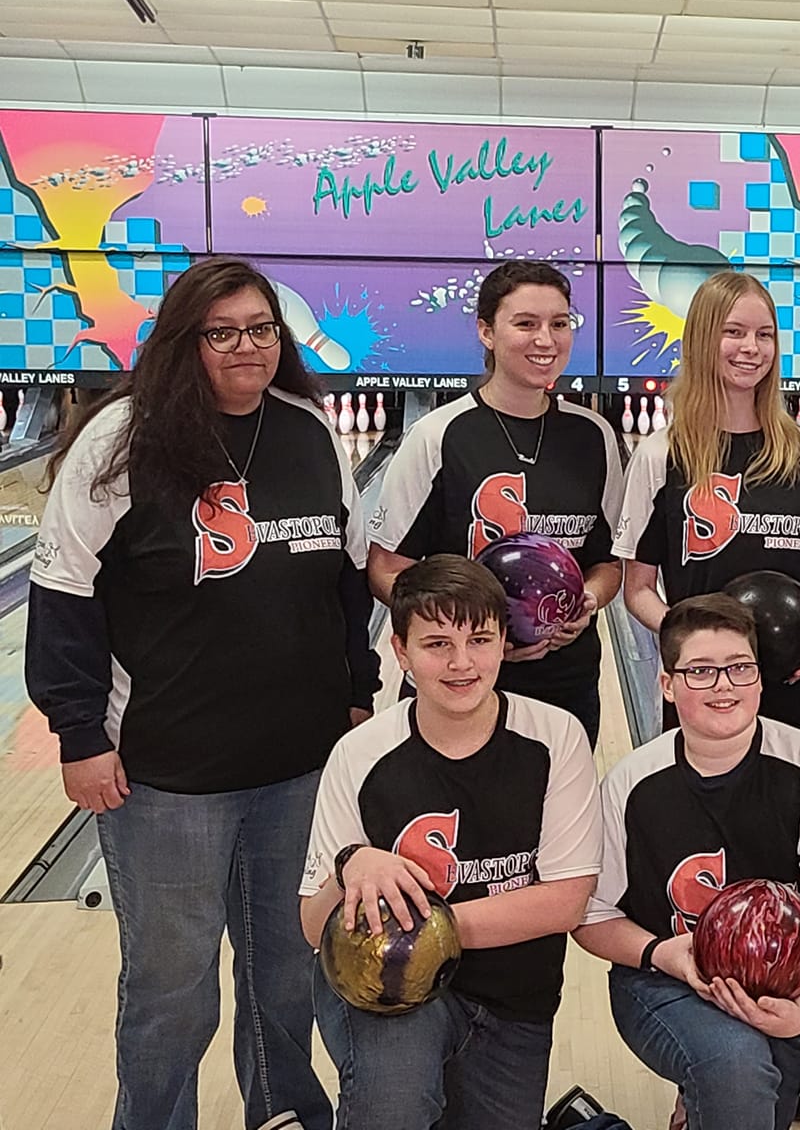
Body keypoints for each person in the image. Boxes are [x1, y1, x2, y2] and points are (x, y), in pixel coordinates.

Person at [25, 257, 378, 1130]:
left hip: (297, 764)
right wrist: (80, 736)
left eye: (261, 329)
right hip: (166, 776)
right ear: (185, 341)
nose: (246, 346)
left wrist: (358, 691)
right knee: (171, 990)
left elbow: (345, 579)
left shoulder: (309, 428)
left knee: (285, 974)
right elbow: (63, 595)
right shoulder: (122, 441)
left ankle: (284, 1114)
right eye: (223, 332)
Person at [299, 554, 603, 1129]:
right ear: (401, 651)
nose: (461, 663)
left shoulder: (556, 738)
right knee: (393, 1110)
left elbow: (566, 901)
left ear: (504, 643)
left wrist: (414, 931)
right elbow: (315, 928)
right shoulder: (360, 753)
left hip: (515, 998)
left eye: (479, 640)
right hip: (391, 997)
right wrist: (350, 865)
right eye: (437, 644)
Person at [574, 594, 800, 1130]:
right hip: (661, 979)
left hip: (778, 986)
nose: (724, 685)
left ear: (760, 679)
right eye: (700, 671)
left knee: (756, 1103)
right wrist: (663, 955)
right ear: (667, 684)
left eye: (740, 667)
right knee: (736, 1068)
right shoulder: (631, 784)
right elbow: (590, 917)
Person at [370, 260, 622, 745]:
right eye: (525, 323)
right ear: (486, 331)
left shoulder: (595, 436)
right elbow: (386, 569)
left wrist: (587, 601)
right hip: (457, 682)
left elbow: (609, 563)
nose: (545, 339)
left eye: (559, 323)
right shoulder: (437, 435)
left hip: (565, 685)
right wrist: (467, 634)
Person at [617, 271, 800, 738]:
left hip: (792, 684)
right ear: (702, 339)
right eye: (733, 332)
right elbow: (637, 589)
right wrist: (695, 643)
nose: (751, 348)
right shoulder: (661, 455)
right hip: (703, 688)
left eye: (765, 335)